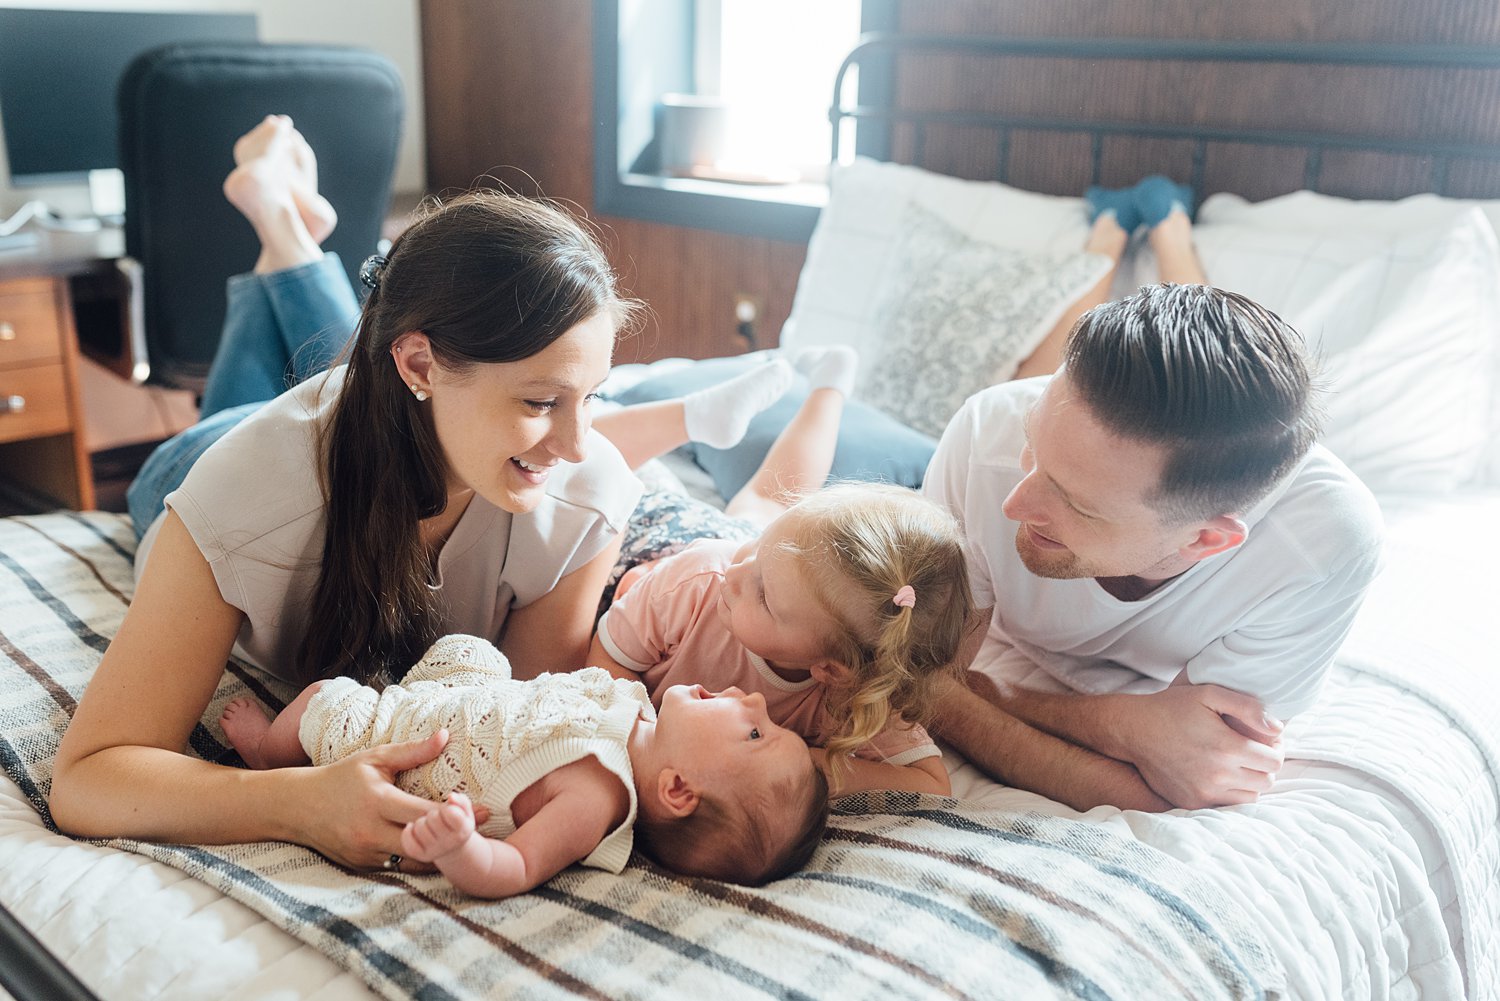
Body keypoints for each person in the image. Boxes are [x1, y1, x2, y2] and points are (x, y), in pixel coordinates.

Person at [50, 115, 653, 871]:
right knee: (254, 416)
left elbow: (516, 725)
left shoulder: (581, 496)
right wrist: (302, 801)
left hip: (368, 409)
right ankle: (279, 224)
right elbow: (87, 776)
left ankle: (281, 229)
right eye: (541, 402)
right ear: (423, 367)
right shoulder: (247, 497)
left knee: (356, 379)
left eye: (593, 396)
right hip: (198, 460)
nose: (575, 444)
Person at [923, 175, 1385, 813]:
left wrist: (985, 699)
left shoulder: (1322, 545)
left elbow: (1172, 781)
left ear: (1205, 540)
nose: (1014, 504)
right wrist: (1123, 724)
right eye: (1036, 448)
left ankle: (1170, 226)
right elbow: (926, 688)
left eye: (1077, 503)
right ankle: (1125, 231)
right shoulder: (987, 433)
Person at [586, 344, 974, 798]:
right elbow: (607, 667)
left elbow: (932, 784)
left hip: (756, 549)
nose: (738, 574)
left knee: (760, 512)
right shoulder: (709, 579)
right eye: (759, 560)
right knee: (603, 471)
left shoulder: (855, 697)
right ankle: (711, 414)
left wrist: (804, 763)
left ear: (831, 669)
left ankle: (830, 385)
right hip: (654, 538)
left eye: (765, 598)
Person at [219, 633, 829, 892]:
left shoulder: (598, 793)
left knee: (320, 703)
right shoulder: (634, 708)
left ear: (677, 791)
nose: (753, 699)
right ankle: (420, 688)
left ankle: (268, 756)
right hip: (466, 704)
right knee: (478, 652)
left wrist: (460, 849)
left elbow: (514, 867)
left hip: (414, 754)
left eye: (754, 732)